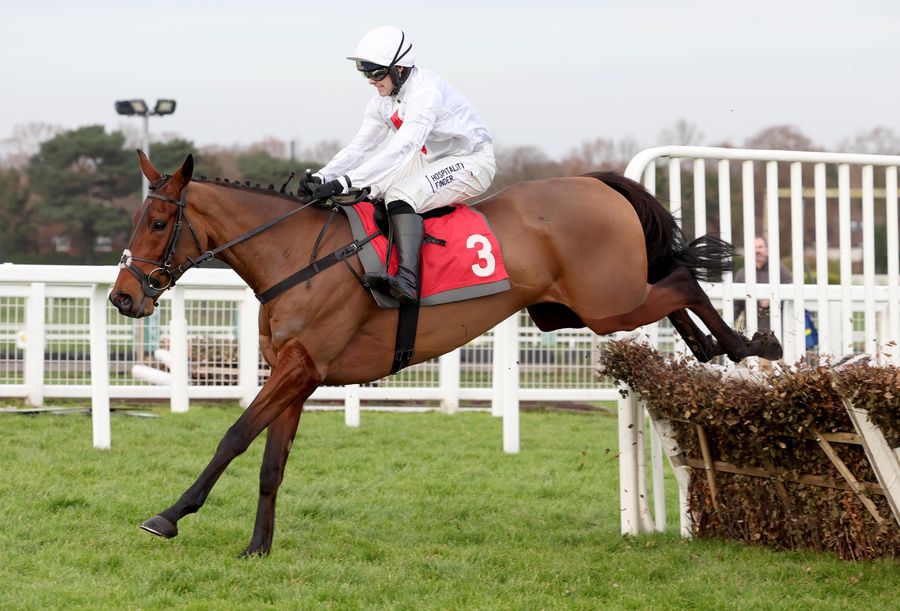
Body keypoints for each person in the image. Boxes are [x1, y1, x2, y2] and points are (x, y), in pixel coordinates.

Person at [300, 26, 496, 304]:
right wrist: (323, 176)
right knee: (373, 189)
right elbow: (360, 147)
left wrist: (344, 182)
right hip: (430, 159)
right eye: (365, 73)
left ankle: (407, 280)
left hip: (472, 161)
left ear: (400, 69)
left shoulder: (426, 92)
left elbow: (403, 147)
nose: (370, 80)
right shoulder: (382, 102)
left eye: (376, 73)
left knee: (399, 195)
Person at [734, 236, 792, 333]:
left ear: (767, 250)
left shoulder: (780, 270)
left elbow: (791, 297)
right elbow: (735, 306)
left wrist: (774, 301)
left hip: (777, 332)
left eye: (760, 247)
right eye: (754, 248)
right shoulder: (742, 274)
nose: (757, 250)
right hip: (751, 334)